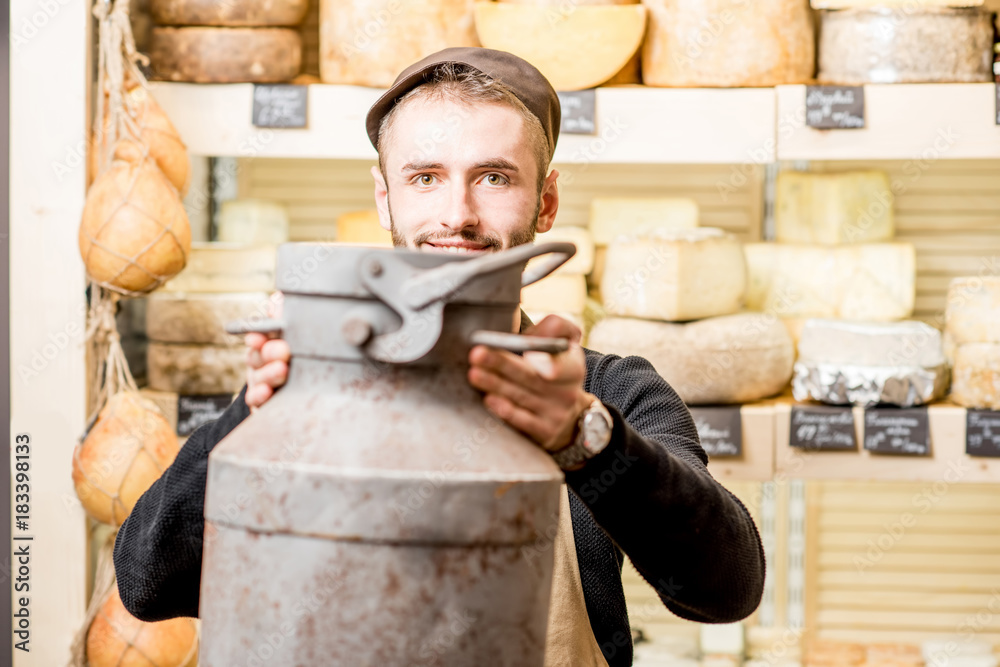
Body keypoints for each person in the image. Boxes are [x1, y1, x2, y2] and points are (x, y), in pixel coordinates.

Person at [114, 47, 765, 666]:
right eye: (425, 177)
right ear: (384, 197)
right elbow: (148, 583)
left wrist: (586, 441)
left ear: (547, 201)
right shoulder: (311, 387)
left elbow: (726, 587)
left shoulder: (604, 390)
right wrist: (249, 423)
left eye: (494, 176)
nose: (458, 214)